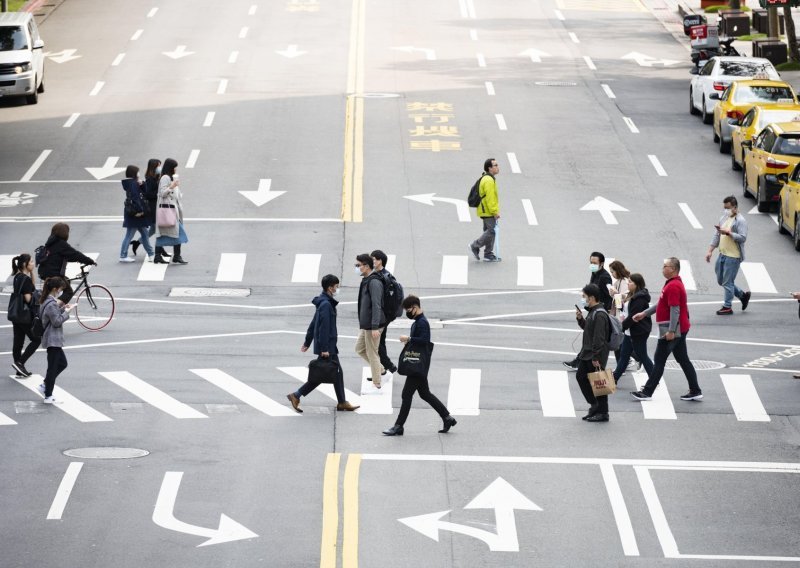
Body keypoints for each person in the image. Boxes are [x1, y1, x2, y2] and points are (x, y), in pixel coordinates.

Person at [383, 295, 457, 436]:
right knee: (425, 394)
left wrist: (409, 338)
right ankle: (447, 418)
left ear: (415, 308)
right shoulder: (418, 321)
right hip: (417, 364)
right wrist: (410, 342)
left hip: (416, 365)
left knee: (406, 395)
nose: (407, 312)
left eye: (408, 309)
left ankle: (398, 426)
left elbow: (424, 340)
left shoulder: (422, 322)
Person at [630, 258, 702, 402]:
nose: (662, 269)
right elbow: (662, 303)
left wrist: (671, 331)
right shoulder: (672, 284)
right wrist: (645, 313)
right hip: (678, 327)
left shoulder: (673, 286)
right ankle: (695, 390)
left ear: (673, 269)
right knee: (682, 359)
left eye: (665, 266)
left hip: (672, 329)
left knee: (659, 360)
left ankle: (647, 392)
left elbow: (675, 310)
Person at [287, 275, 359, 413]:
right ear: (330, 288)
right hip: (327, 346)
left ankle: (342, 402)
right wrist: (325, 348)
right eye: (336, 286)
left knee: (335, 372)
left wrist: (307, 341)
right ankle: (296, 395)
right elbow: (323, 327)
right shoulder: (326, 304)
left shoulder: (324, 302)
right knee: (322, 374)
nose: (337, 289)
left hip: (328, 345)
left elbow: (314, 322)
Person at [563, 252, 612, 370]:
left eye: (595, 263)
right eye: (591, 262)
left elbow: (609, 295)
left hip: (600, 311)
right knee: (590, 337)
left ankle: (632, 357)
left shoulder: (604, 277)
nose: (592, 265)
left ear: (602, 263)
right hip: (593, 308)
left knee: (599, 338)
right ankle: (578, 361)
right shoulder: (594, 274)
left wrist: (606, 311)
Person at [572, 283, 612, 423]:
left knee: (599, 383)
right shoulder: (593, 311)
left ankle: (603, 412)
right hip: (588, 353)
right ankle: (595, 406)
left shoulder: (599, 314)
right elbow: (589, 330)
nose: (583, 299)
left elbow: (599, 337)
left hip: (595, 354)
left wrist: (596, 356)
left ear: (592, 298)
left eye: (584, 296)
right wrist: (580, 319)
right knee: (582, 377)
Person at [705, 195, 750, 315]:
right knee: (722, 281)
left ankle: (727, 306)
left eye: (728, 208)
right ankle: (742, 295)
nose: (726, 210)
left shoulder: (740, 221)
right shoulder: (724, 218)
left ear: (735, 207)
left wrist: (729, 233)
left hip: (733, 256)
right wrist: (710, 251)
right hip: (722, 254)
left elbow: (743, 238)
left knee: (727, 282)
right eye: (724, 208)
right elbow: (717, 235)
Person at [37, 222, 97, 304]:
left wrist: (77, 260)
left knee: (67, 281)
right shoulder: (61, 244)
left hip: (44, 272)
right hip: (53, 273)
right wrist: (90, 261)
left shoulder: (51, 242)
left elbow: (63, 256)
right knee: (68, 292)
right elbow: (75, 254)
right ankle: (53, 308)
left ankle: (49, 305)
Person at [613, 273, 654, 384]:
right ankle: (614, 379)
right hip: (629, 330)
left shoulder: (639, 298)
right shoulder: (631, 294)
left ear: (637, 284)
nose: (628, 283)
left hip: (638, 331)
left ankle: (654, 379)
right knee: (624, 356)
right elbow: (624, 310)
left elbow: (633, 317)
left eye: (630, 282)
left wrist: (621, 327)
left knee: (642, 356)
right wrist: (617, 299)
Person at [39, 276, 74, 404]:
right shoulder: (51, 303)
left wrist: (63, 308)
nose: (60, 292)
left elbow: (53, 315)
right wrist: (67, 312)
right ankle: (48, 395)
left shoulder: (47, 300)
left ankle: (45, 385)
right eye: (60, 289)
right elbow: (57, 321)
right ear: (55, 289)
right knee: (53, 367)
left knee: (62, 364)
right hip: (52, 339)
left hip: (53, 340)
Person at [355, 253, 386, 388]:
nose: (357, 268)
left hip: (374, 324)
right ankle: (380, 369)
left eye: (358, 265)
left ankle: (377, 382)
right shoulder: (366, 279)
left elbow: (376, 305)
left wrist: (374, 326)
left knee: (372, 352)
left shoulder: (374, 282)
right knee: (359, 349)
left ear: (366, 266)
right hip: (367, 323)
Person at [9, 254, 40, 378]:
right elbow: (28, 298)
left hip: (16, 315)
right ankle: (20, 363)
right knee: (36, 340)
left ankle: (19, 370)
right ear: (24, 264)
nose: (33, 263)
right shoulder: (24, 279)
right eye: (31, 262)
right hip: (25, 316)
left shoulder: (18, 277)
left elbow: (30, 285)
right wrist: (37, 299)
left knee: (18, 342)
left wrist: (31, 273)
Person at [132, 159, 169, 260]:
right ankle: (159, 251)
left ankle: (138, 242)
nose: (159, 168)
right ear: (153, 167)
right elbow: (148, 194)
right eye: (158, 166)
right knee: (158, 230)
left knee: (154, 229)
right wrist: (160, 193)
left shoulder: (156, 177)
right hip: (152, 208)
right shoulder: (150, 179)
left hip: (156, 206)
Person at [153, 158, 188, 265]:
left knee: (166, 234)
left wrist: (176, 189)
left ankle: (162, 256)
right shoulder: (165, 177)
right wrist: (172, 186)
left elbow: (173, 194)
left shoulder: (170, 177)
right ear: (171, 167)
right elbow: (162, 192)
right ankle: (174, 256)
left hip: (172, 209)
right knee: (178, 233)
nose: (176, 169)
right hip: (168, 210)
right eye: (175, 167)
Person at [119, 165, 155, 263]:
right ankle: (123, 255)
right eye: (138, 172)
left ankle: (151, 254)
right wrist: (140, 211)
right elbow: (136, 198)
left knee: (144, 233)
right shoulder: (133, 184)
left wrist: (142, 183)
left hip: (134, 214)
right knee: (131, 235)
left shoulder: (132, 183)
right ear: (134, 173)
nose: (139, 173)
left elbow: (143, 191)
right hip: (136, 215)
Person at [371, 249, 398, 377]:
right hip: (386, 314)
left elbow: (378, 300)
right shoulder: (383, 275)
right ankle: (382, 369)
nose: (372, 261)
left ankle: (387, 366)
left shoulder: (382, 277)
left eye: (374, 259)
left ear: (380, 261)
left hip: (383, 315)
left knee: (375, 343)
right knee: (380, 342)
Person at [469, 158, 501, 262]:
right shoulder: (488, 180)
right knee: (491, 232)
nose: (497, 167)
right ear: (490, 168)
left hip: (485, 209)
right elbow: (490, 198)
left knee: (488, 231)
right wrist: (495, 212)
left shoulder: (489, 178)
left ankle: (488, 254)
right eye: (495, 165)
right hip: (487, 210)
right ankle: (475, 245)